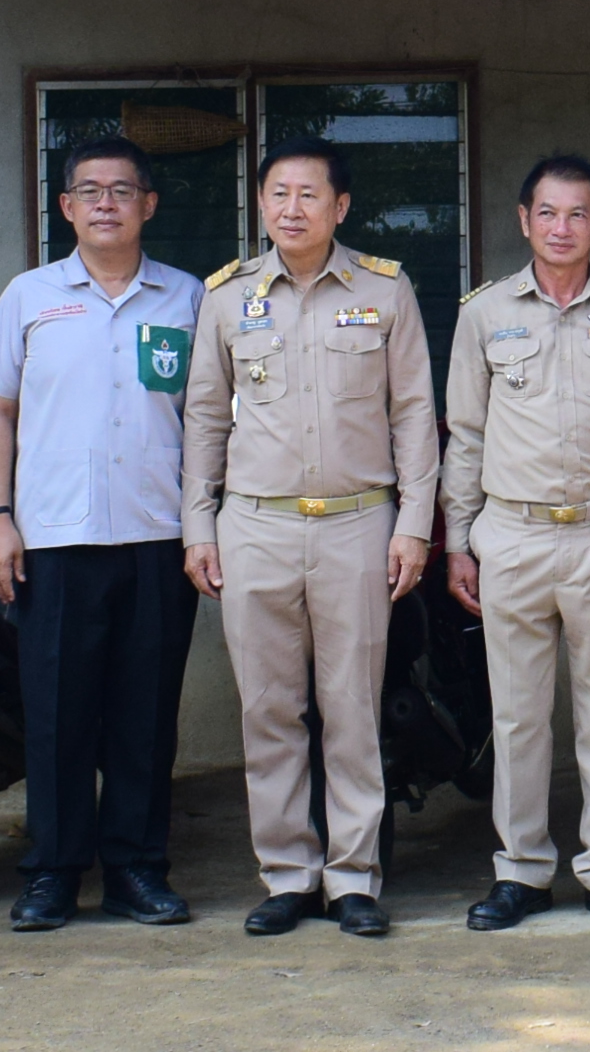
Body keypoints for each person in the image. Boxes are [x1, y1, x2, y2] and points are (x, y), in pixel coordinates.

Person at [185, 137, 440, 940]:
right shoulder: (227, 296)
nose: (291, 209)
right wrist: (198, 525)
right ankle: (288, 875)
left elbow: (414, 415)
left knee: (352, 709)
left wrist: (414, 525)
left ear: (341, 207)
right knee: (269, 711)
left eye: (309, 195)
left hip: (357, 524)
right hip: (254, 525)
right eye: (278, 194)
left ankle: (354, 877)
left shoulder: (385, 290)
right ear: (261, 203)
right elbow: (203, 417)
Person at [0, 135, 207, 933]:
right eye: (90, 191)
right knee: (58, 713)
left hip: (158, 536)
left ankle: (136, 868)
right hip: (54, 540)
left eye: (122, 190)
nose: (106, 204)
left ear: (149, 205)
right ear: (66, 206)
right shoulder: (30, 297)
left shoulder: (188, 298)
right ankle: (54, 872)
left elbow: (214, 417)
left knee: (145, 713)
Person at [440, 153, 590, 929]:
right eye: (547, 212)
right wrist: (458, 539)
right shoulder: (484, 313)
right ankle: (522, 870)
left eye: (577, 214)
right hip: (512, 534)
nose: (560, 228)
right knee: (517, 717)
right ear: (523, 220)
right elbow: (465, 434)